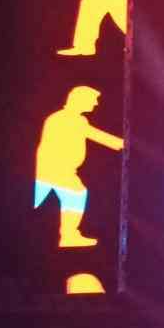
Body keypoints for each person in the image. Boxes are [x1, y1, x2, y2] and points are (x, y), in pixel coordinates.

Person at [33, 85, 124, 247]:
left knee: (74, 194)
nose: (95, 104)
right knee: (75, 193)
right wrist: (126, 144)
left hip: (57, 170)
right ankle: (68, 236)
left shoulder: (73, 119)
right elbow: (98, 136)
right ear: (80, 100)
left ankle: (69, 234)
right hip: (55, 170)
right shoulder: (66, 119)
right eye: (93, 100)